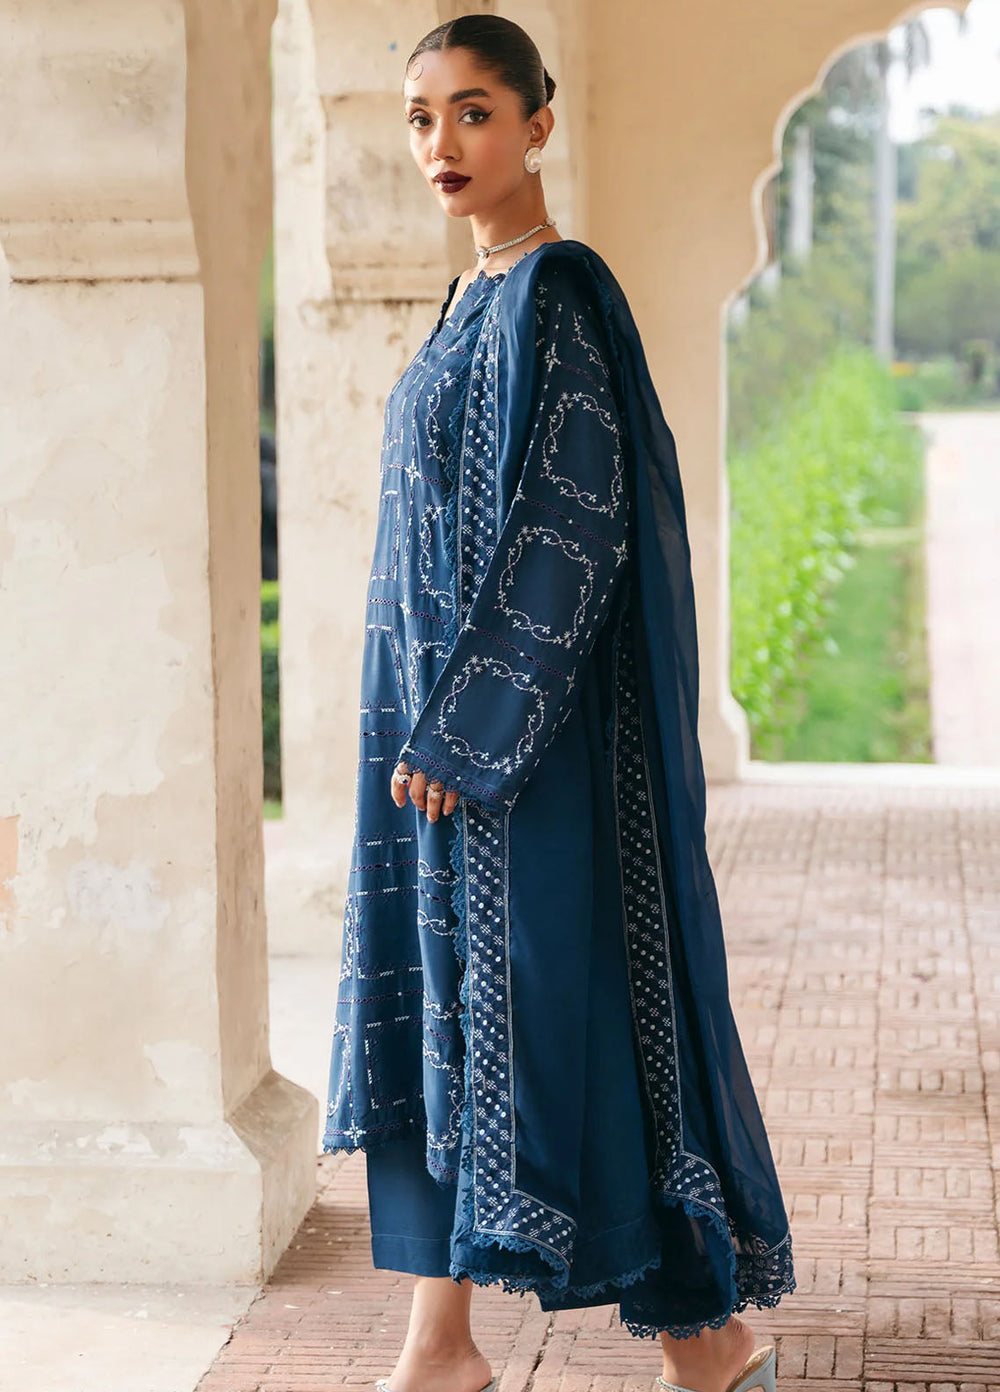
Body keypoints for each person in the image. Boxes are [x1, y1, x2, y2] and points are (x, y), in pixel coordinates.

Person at [321, 15, 796, 1392]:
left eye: (474, 112)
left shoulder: (559, 294)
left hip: (519, 755)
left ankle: (711, 1347)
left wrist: (473, 730)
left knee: (568, 1026)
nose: (443, 143)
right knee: (453, 1025)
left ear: (537, 124)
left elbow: (571, 525)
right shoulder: (466, 304)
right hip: (434, 746)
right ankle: (441, 1347)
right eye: (422, 117)